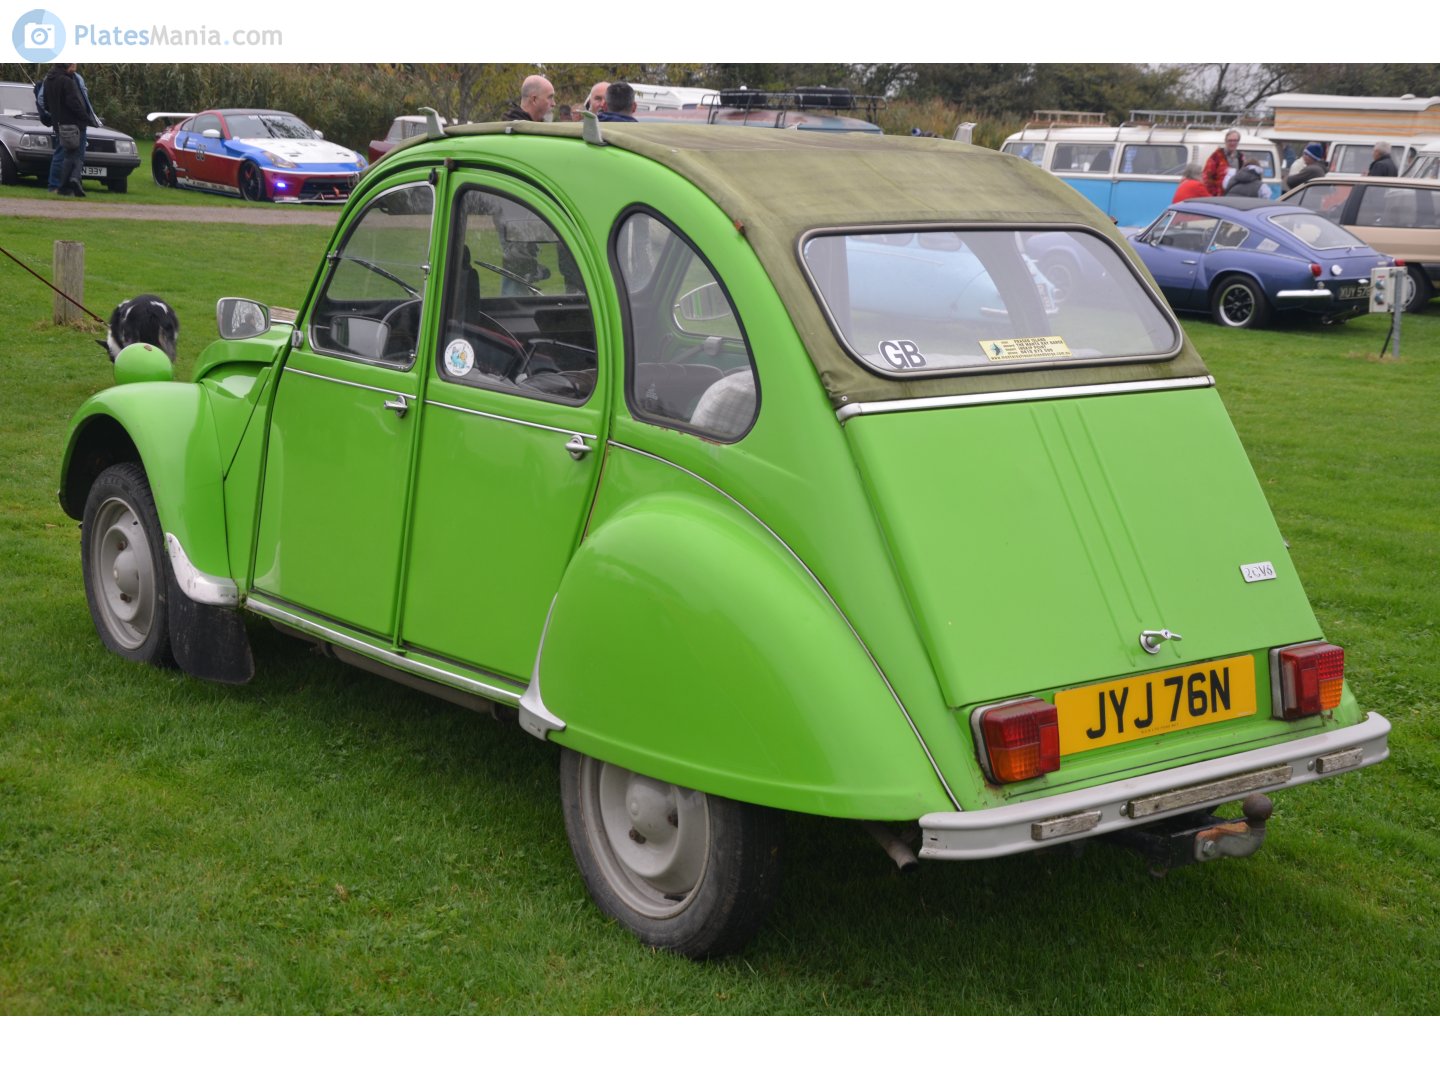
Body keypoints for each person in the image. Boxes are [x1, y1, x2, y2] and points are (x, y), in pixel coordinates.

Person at [39, 68, 100, 195]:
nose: (75, 65)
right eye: (72, 62)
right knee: (65, 155)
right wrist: (84, 117)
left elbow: (84, 101)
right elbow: (44, 101)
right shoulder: (59, 80)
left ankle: (70, 184)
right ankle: (57, 185)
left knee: (74, 155)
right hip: (70, 123)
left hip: (74, 123)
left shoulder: (76, 78)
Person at [1202, 129, 1244, 196]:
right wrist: (1215, 193)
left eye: (1235, 140)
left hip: (1235, 195)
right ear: (1225, 141)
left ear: (1238, 142)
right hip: (1219, 196)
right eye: (1230, 140)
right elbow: (1206, 177)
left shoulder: (1241, 157)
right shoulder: (1216, 156)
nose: (1232, 143)